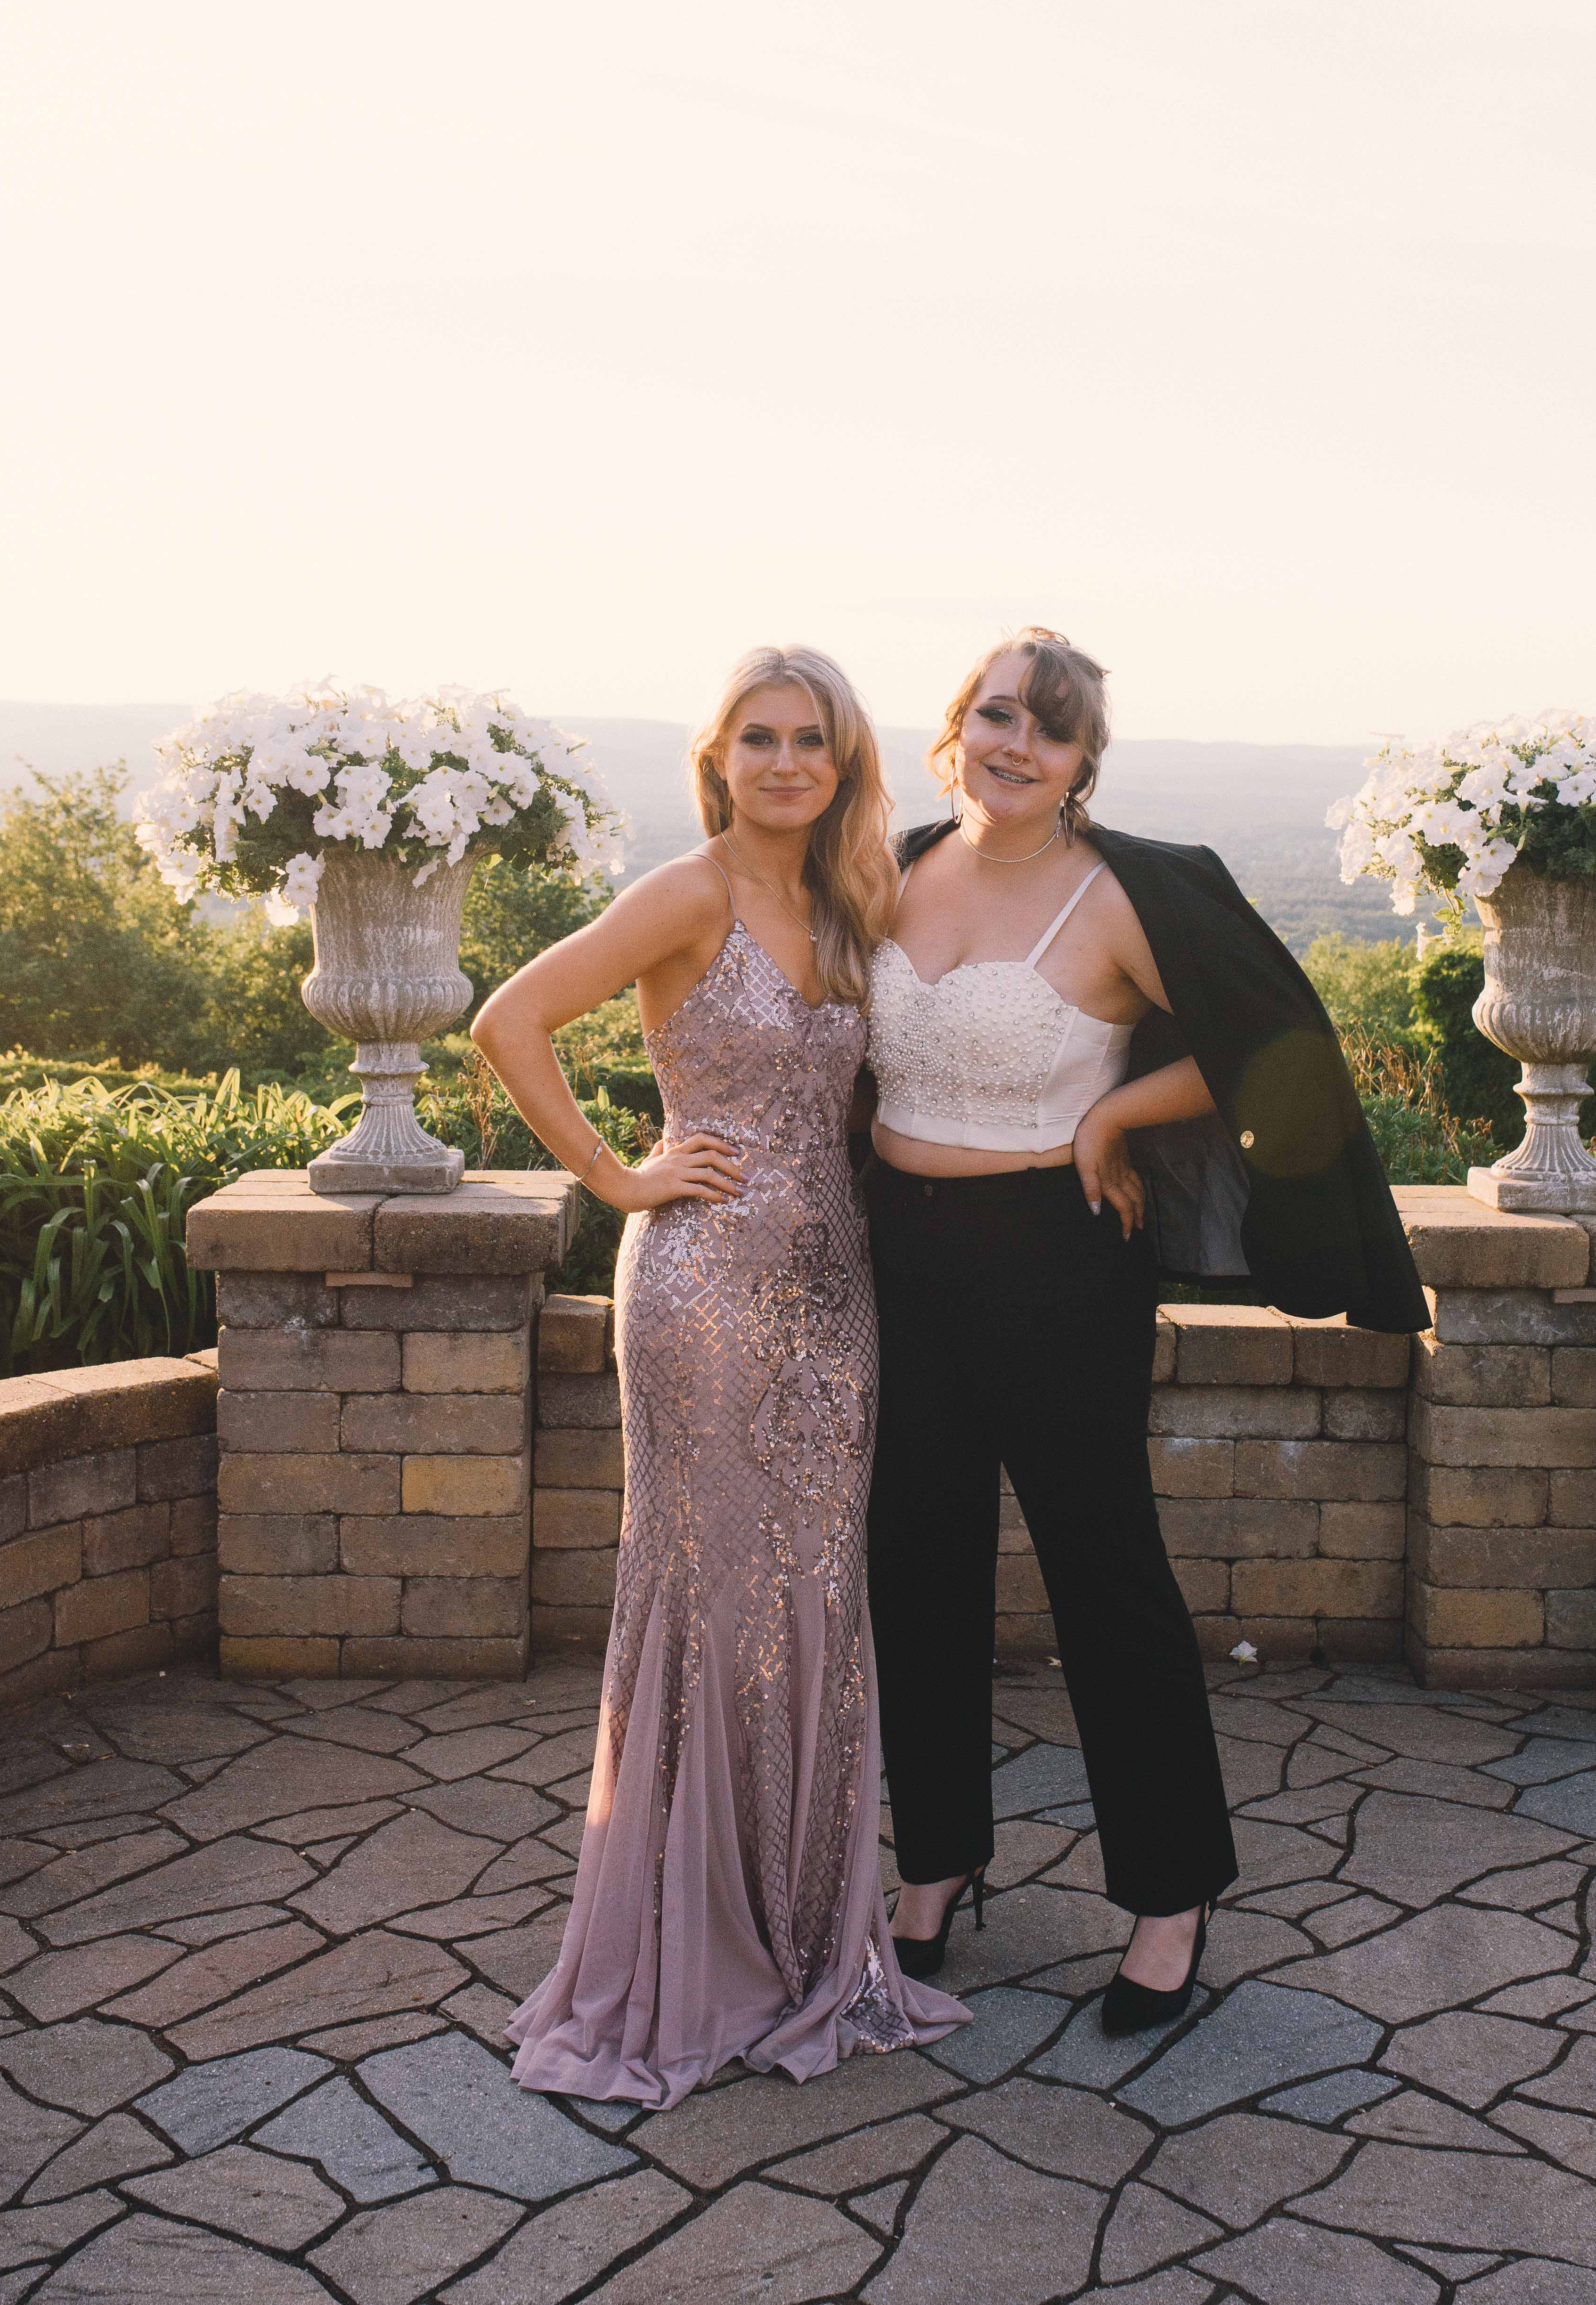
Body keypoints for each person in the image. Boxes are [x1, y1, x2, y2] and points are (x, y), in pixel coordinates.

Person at [863, 629, 1428, 2036]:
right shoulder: (890, 866)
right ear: (955, 725)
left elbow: (1278, 1047)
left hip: (1056, 1265)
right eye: (998, 714)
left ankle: (1171, 1899)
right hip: (898, 1262)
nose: (1017, 745)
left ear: (1082, 763)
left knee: (1104, 1578)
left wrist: (1112, 1112)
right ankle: (936, 1864)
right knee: (912, 1568)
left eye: (1050, 731)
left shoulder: (1130, 893)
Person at [473, 645, 969, 2107]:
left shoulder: (854, 896)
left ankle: (801, 1925)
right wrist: (617, 1174)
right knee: (709, 1593)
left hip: (834, 1293)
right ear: (719, 758)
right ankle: (688, 1938)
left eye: (810, 740)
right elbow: (509, 1019)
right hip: (701, 1291)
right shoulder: (686, 893)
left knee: (813, 1592)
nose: (785, 762)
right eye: (759, 738)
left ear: (842, 762)